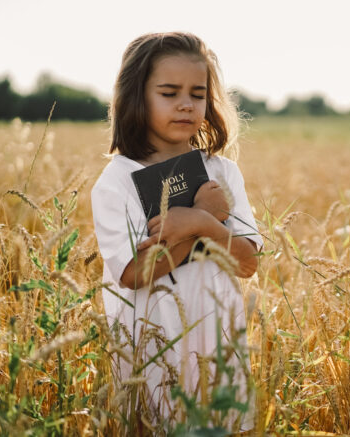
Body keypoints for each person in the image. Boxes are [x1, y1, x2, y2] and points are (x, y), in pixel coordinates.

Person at [90, 32, 262, 429]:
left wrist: (201, 223)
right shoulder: (117, 181)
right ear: (136, 97)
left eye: (197, 94)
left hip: (218, 341)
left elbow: (248, 262)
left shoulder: (222, 172)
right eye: (169, 93)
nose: (186, 104)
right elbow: (134, 274)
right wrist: (201, 217)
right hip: (152, 348)